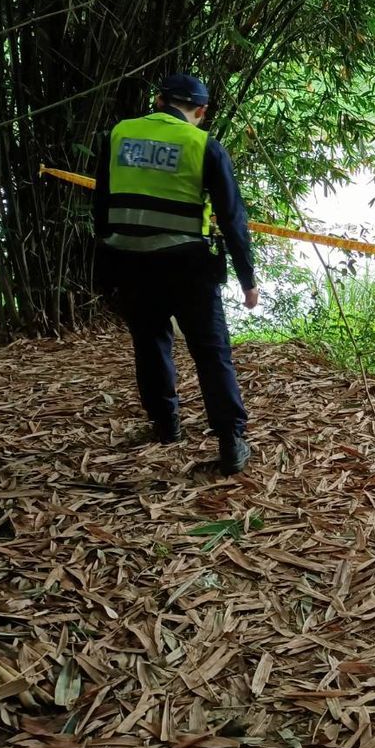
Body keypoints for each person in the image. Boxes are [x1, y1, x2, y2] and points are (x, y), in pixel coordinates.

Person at [93, 73, 258, 475]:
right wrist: (247, 280)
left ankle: (166, 424)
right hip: (187, 265)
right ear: (201, 111)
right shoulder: (203, 145)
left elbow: (101, 205)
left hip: (130, 261)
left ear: (158, 100)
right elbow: (232, 220)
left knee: (150, 343)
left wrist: (106, 260)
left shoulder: (119, 134)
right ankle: (230, 440)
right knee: (211, 350)